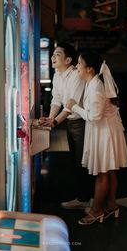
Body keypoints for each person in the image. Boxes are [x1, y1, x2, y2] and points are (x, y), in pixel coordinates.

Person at [66, 51, 127, 225]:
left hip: (104, 133)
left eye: (79, 63)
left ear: (90, 69)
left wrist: (75, 107)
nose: (77, 67)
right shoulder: (92, 82)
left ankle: (96, 211)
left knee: (102, 173)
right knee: (110, 170)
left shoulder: (95, 88)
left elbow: (93, 116)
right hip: (106, 129)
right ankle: (111, 205)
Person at [39, 42, 94, 209]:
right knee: (75, 162)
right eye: (53, 54)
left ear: (68, 59)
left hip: (83, 122)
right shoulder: (57, 74)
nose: (52, 57)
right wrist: (50, 118)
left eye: (57, 55)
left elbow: (71, 105)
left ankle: (87, 199)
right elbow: (56, 100)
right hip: (71, 122)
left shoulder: (76, 75)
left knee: (83, 162)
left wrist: (54, 122)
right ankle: (84, 198)